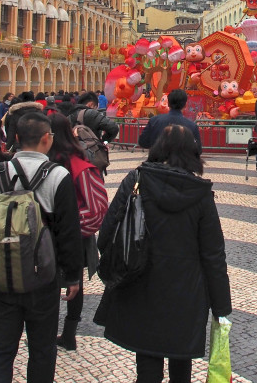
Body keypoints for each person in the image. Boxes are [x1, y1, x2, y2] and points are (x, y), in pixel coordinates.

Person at [0, 110, 83, 383]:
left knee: (0, 350)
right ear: (47, 140)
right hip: (42, 274)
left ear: (16, 138)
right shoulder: (57, 175)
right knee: (42, 348)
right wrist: (72, 275)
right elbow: (68, 230)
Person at [95, 124, 231, 382]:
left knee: (147, 357)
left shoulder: (136, 180)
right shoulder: (200, 193)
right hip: (186, 288)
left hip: (141, 281)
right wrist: (221, 305)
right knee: (181, 360)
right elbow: (213, 254)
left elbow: (108, 232)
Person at [47, 111, 106, 350]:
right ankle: (63, 333)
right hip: (71, 236)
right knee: (74, 282)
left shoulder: (74, 162)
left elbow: (96, 208)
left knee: (58, 281)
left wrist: (66, 227)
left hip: (64, 235)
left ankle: (65, 333)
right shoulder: (73, 159)